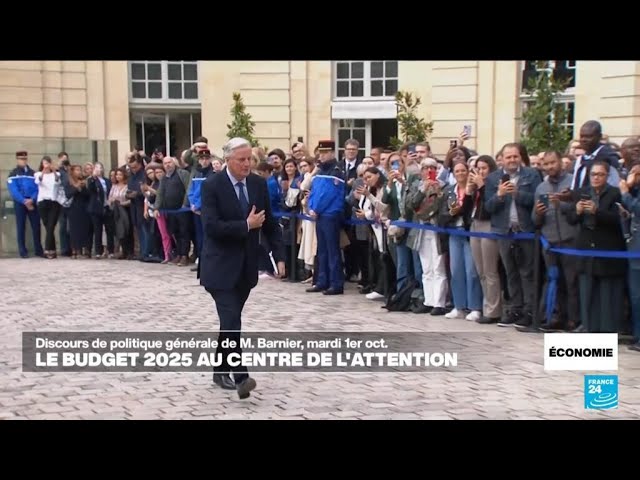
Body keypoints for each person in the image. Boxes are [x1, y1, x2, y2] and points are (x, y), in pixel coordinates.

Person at [199, 137, 285, 399]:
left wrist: (279, 256)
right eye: (241, 160)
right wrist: (246, 226)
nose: (247, 164)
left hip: (246, 268)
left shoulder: (258, 184)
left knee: (229, 324)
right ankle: (241, 375)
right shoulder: (212, 185)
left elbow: (270, 224)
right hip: (219, 266)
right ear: (227, 160)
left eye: (250, 159)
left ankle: (219, 370)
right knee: (232, 319)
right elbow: (211, 227)